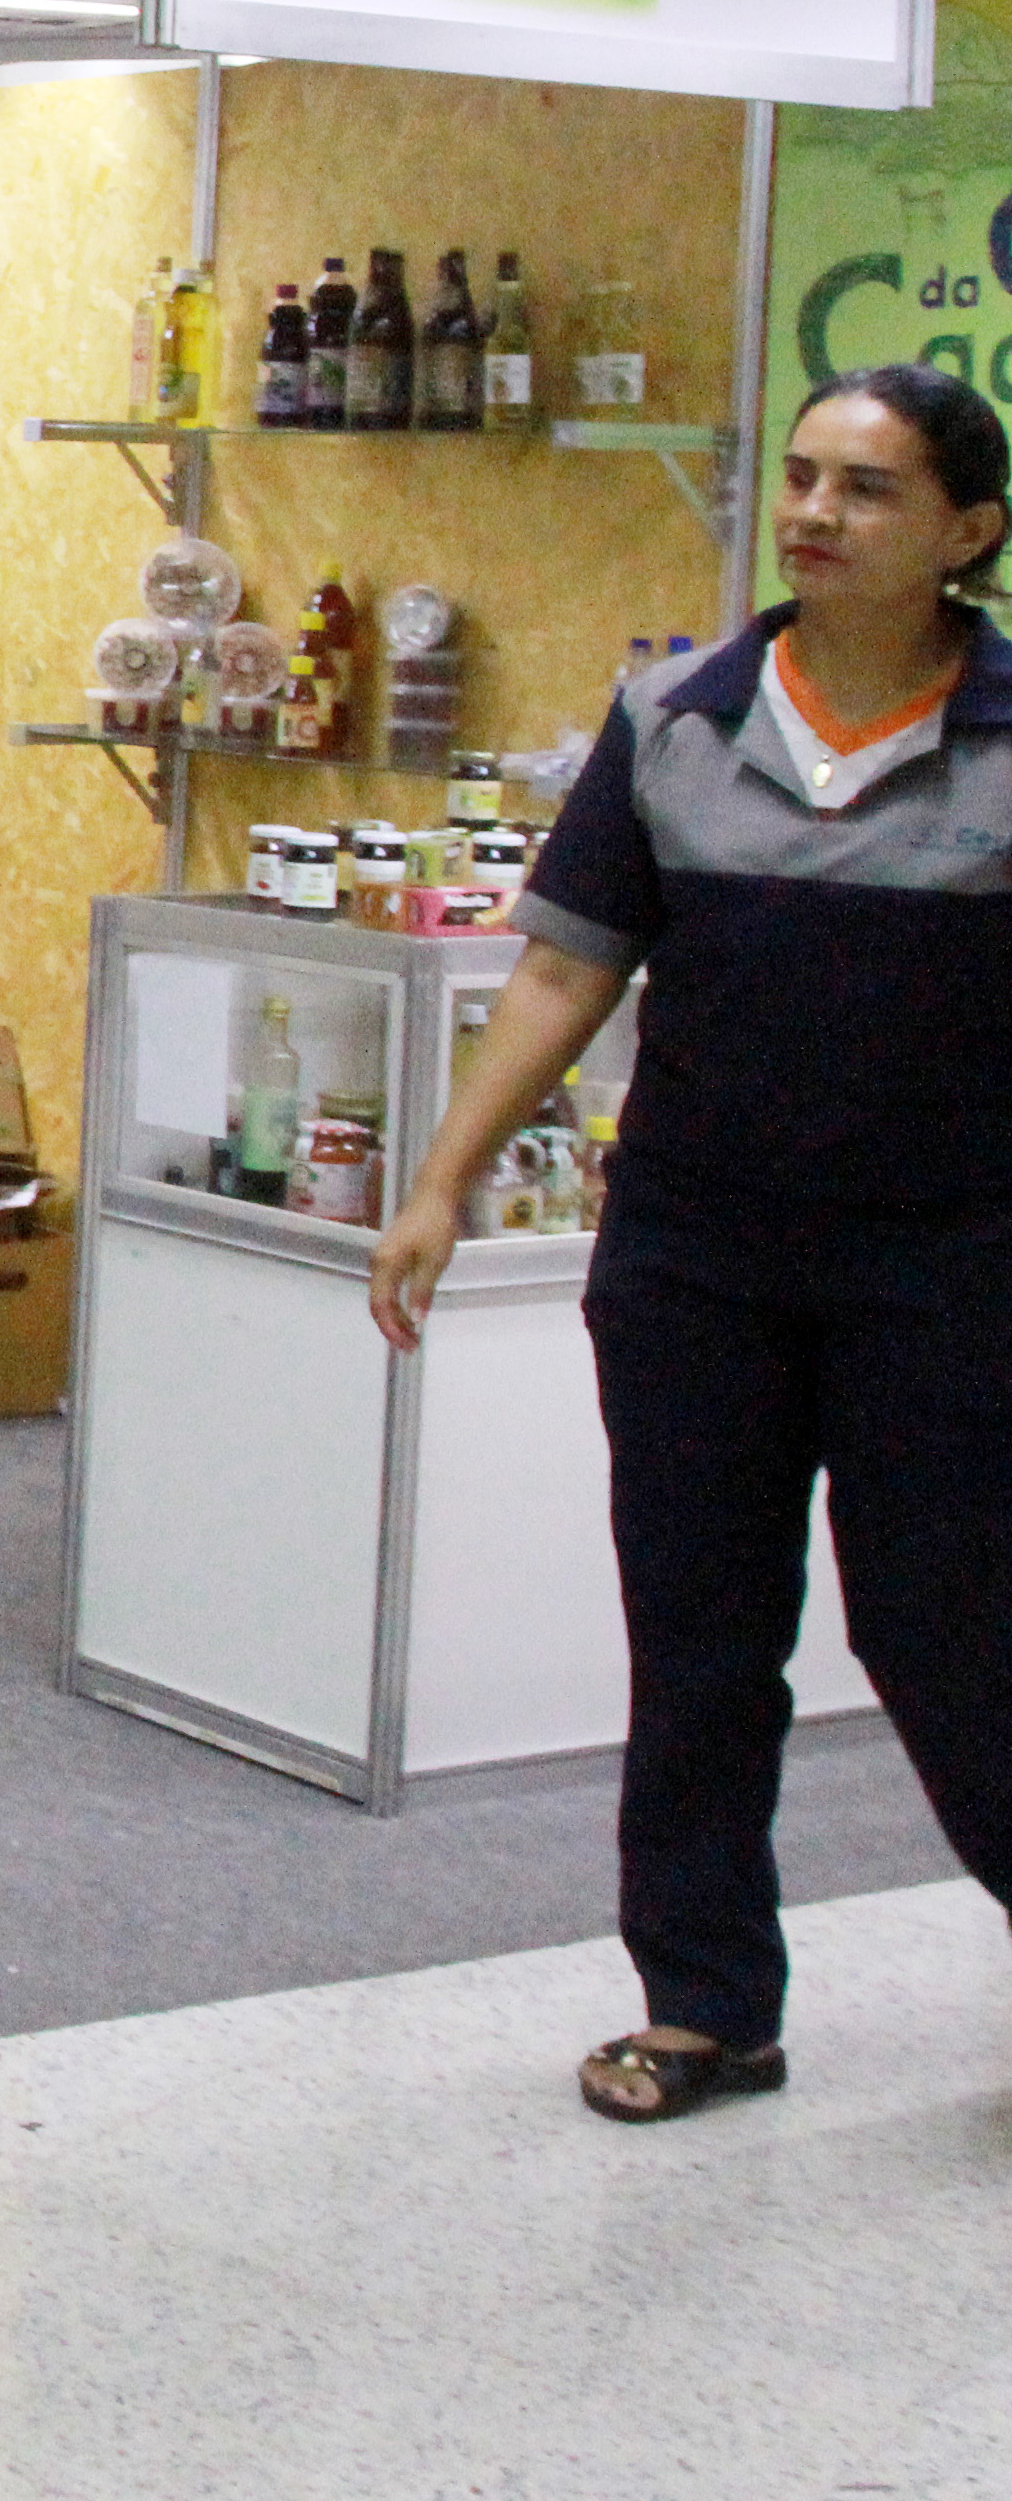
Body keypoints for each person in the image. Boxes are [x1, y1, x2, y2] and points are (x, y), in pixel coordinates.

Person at [369, 365, 1012, 2120]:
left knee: (944, 1632)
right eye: (801, 477)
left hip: (946, 1271)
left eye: (865, 489)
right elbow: (564, 970)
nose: (813, 513)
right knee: (699, 1639)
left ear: (967, 530)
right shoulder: (672, 717)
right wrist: (438, 1180)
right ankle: (705, 2004)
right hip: (694, 1263)